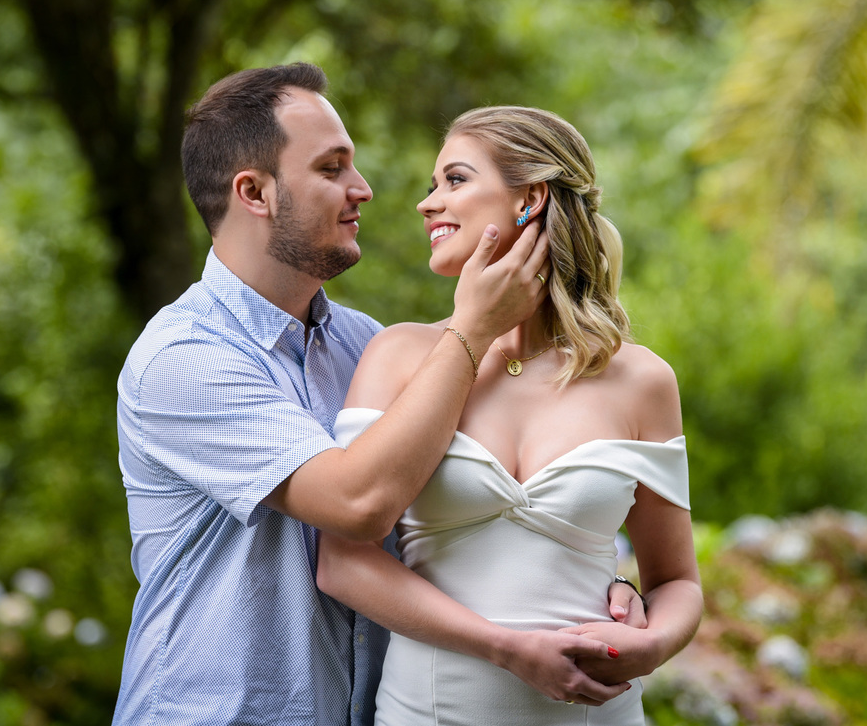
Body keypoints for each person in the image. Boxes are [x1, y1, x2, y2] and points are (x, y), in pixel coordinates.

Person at [111, 64, 646, 726]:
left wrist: (600, 584)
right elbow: (357, 505)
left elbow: (464, 520)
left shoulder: (365, 344)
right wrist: (475, 328)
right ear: (255, 192)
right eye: (331, 168)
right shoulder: (182, 358)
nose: (362, 188)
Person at [316, 105, 704, 724]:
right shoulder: (397, 355)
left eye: (455, 180)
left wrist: (652, 645)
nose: (427, 204)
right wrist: (507, 649)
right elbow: (344, 564)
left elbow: (677, 582)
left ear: (530, 197)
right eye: (434, 184)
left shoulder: (642, 380)